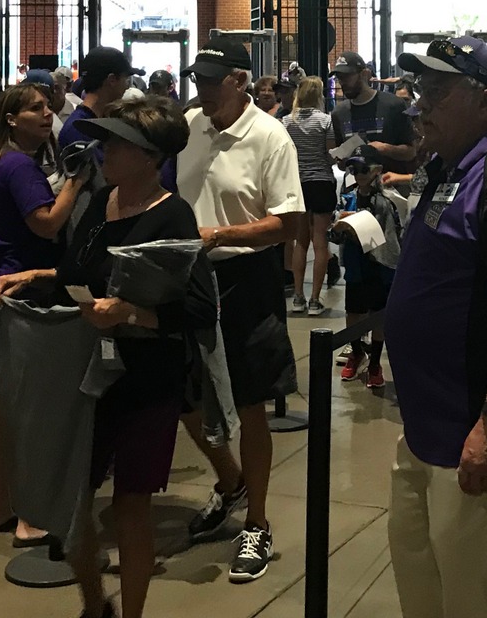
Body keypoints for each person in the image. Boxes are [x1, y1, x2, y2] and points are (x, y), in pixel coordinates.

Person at [0, 99, 214, 618]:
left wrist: (131, 313)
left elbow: (198, 309)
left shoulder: (173, 215)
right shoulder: (102, 200)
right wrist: (38, 277)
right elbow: (81, 272)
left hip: (146, 383)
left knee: (132, 507)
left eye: (116, 143)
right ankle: (96, 605)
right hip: (89, 375)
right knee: (76, 500)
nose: (103, 150)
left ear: (149, 156)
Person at [386, 37, 487, 618]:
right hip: (424, 424)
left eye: (436, 91)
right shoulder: (446, 169)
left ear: (486, 101)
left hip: (473, 431)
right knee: (422, 582)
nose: (419, 103)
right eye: (420, 89)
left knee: (474, 596)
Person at [177, 35, 303, 582]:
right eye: (197, 79)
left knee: (249, 404)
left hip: (244, 278)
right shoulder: (188, 126)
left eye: (210, 79)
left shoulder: (270, 137)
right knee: (183, 394)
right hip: (187, 278)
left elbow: (289, 224)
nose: (201, 89)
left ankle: (257, 520)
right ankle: (230, 481)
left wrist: (219, 235)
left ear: (239, 80)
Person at [0, 83, 86, 548]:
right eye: (35, 108)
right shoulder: (20, 166)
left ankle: (0, 506)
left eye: (47, 106)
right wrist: (78, 183)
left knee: (2, 406)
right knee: (29, 410)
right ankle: (30, 516)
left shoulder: (3, 161)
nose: (47, 114)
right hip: (21, 292)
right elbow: (46, 222)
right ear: (12, 118)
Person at [335, 154, 404, 389]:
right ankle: (356, 352)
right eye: (354, 170)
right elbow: (333, 233)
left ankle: (375, 362)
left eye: (364, 169)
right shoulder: (347, 198)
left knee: (377, 314)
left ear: (376, 170)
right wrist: (340, 224)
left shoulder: (387, 199)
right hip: (356, 264)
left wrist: (359, 223)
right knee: (353, 311)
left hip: (380, 265)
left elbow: (385, 233)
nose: (359, 174)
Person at [283, 76, 336, 317]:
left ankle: (297, 296)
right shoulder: (326, 121)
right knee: (321, 242)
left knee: (300, 242)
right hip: (322, 181)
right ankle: (315, 299)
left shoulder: (286, 122)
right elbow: (331, 155)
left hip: (297, 182)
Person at [331, 51, 417, 179]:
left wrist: (384, 148)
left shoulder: (393, 105)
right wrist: (343, 162)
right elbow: (341, 164)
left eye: (347, 76)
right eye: (339, 77)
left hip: (390, 188)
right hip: (355, 191)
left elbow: (411, 152)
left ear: (364, 74)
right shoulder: (339, 113)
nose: (343, 82)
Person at [58, 47, 135, 150]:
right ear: (112, 80)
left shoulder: (91, 123)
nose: (127, 87)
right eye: (126, 79)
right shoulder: (79, 130)